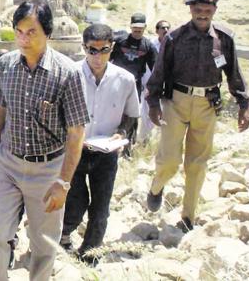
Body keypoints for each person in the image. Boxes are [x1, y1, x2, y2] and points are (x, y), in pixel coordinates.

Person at [0, 0, 89, 281]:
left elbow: (76, 132)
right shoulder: (5, 65)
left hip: (47, 170)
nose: (23, 39)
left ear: (48, 34)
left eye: (32, 32)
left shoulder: (68, 73)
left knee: (43, 245)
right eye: (19, 31)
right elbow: (1, 111)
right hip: (8, 163)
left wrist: (63, 182)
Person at [146, 0, 249, 232]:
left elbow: (234, 73)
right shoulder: (175, 37)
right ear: (191, 10)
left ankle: (188, 218)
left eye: (207, 10)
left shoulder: (224, 39)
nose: (202, 14)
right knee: (170, 160)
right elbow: (159, 72)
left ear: (214, 11)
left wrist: (243, 104)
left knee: (197, 163)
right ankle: (156, 187)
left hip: (207, 104)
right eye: (198, 10)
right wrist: (153, 103)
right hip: (176, 102)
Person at [60, 24, 139, 261]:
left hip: (106, 153)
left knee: (100, 208)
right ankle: (62, 235)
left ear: (112, 48)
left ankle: (90, 255)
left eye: (103, 50)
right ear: (83, 48)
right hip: (74, 150)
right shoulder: (69, 75)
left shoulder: (124, 79)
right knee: (75, 201)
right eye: (91, 50)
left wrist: (122, 132)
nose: (97, 56)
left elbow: (131, 114)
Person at [110, 13, 156, 154]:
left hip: (134, 86)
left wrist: (155, 87)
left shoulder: (148, 46)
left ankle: (128, 148)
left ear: (145, 28)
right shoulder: (120, 42)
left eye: (140, 28)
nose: (137, 30)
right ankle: (109, 143)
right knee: (112, 112)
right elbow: (107, 59)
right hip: (115, 84)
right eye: (135, 27)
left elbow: (156, 67)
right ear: (130, 27)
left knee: (132, 115)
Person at [138, 20, 171, 143]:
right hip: (149, 85)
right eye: (163, 27)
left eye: (168, 27)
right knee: (147, 112)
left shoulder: (172, 45)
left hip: (166, 86)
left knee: (165, 113)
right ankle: (144, 141)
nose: (166, 30)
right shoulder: (150, 46)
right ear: (157, 31)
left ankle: (160, 142)